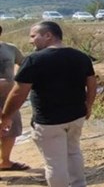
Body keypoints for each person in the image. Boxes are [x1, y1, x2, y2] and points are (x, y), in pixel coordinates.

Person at [1, 21, 97, 187]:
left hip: (48, 121)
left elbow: (18, 93)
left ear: (48, 35)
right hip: (76, 116)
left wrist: (6, 116)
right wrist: (88, 105)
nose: (31, 40)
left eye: (33, 36)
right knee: (73, 152)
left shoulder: (34, 60)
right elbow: (92, 83)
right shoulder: (81, 56)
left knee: (55, 162)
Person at [0, 25, 28, 172]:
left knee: (11, 129)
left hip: (8, 98)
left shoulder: (10, 49)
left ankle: (5, 162)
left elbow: (25, 64)